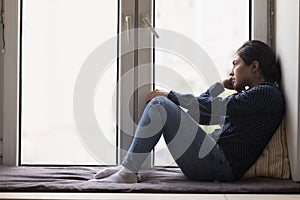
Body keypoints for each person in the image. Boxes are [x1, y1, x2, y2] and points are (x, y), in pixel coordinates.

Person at [93, 40, 285, 183]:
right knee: (162, 103)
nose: (231, 71)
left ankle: (128, 171)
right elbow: (202, 111)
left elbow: (208, 112)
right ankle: (128, 166)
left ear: (254, 66)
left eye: (236, 63)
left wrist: (171, 95)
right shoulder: (258, 94)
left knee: (160, 104)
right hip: (214, 161)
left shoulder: (266, 93)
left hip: (220, 166)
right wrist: (219, 86)